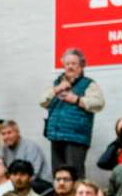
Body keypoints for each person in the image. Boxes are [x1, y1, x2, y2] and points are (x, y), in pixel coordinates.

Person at [40, 48, 105, 178]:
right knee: (58, 176)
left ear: (81, 66)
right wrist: (58, 88)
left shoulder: (88, 84)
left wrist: (77, 100)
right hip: (56, 136)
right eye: (67, 64)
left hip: (76, 137)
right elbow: (42, 101)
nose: (70, 67)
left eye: (74, 64)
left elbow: (99, 103)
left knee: (74, 176)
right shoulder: (57, 84)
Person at [0, 120, 52, 190]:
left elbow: (34, 173)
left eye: (9, 133)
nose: (6, 137)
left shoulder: (31, 147)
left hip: (40, 182)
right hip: (18, 181)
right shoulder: (4, 149)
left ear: (18, 132)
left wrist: (13, 182)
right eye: (3, 134)